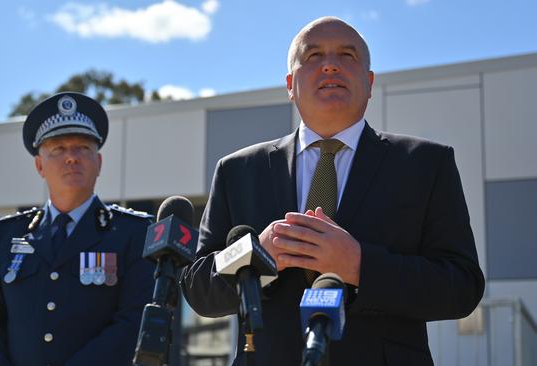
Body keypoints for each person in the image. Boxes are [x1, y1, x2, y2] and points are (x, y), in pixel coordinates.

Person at [181, 16, 485, 365]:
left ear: (369, 83)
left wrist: (360, 265)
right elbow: (198, 288)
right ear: (290, 84)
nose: (329, 66)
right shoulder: (238, 171)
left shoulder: (426, 164)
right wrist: (255, 256)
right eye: (313, 56)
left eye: (347, 55)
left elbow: (461, 287)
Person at [0, 92, 155, 366]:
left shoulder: (132, 233)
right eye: (58, 149)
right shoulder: (9, 236)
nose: (72, 158)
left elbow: (134, 322)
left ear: (99, 163)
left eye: (83, 148)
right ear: (40, 165)